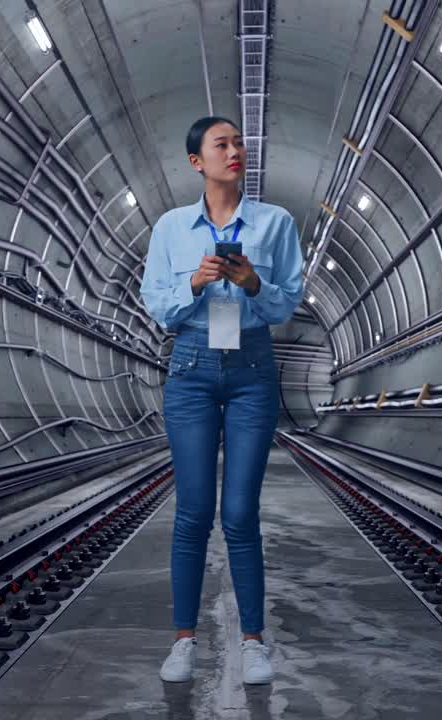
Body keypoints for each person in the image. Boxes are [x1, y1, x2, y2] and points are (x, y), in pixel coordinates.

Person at [139, 116, 305, 685]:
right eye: (222, 144)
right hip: (191, 367)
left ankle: (253, 641)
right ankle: (184, 640)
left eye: (239, 142)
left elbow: (287, 304)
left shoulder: (275, 223)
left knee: (239, 514)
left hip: (253, 368)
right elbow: (156, 303)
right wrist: (196, 282)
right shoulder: (170, 228)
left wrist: (254, 283)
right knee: (192, 513)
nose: (236, 151)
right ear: (197, 162)